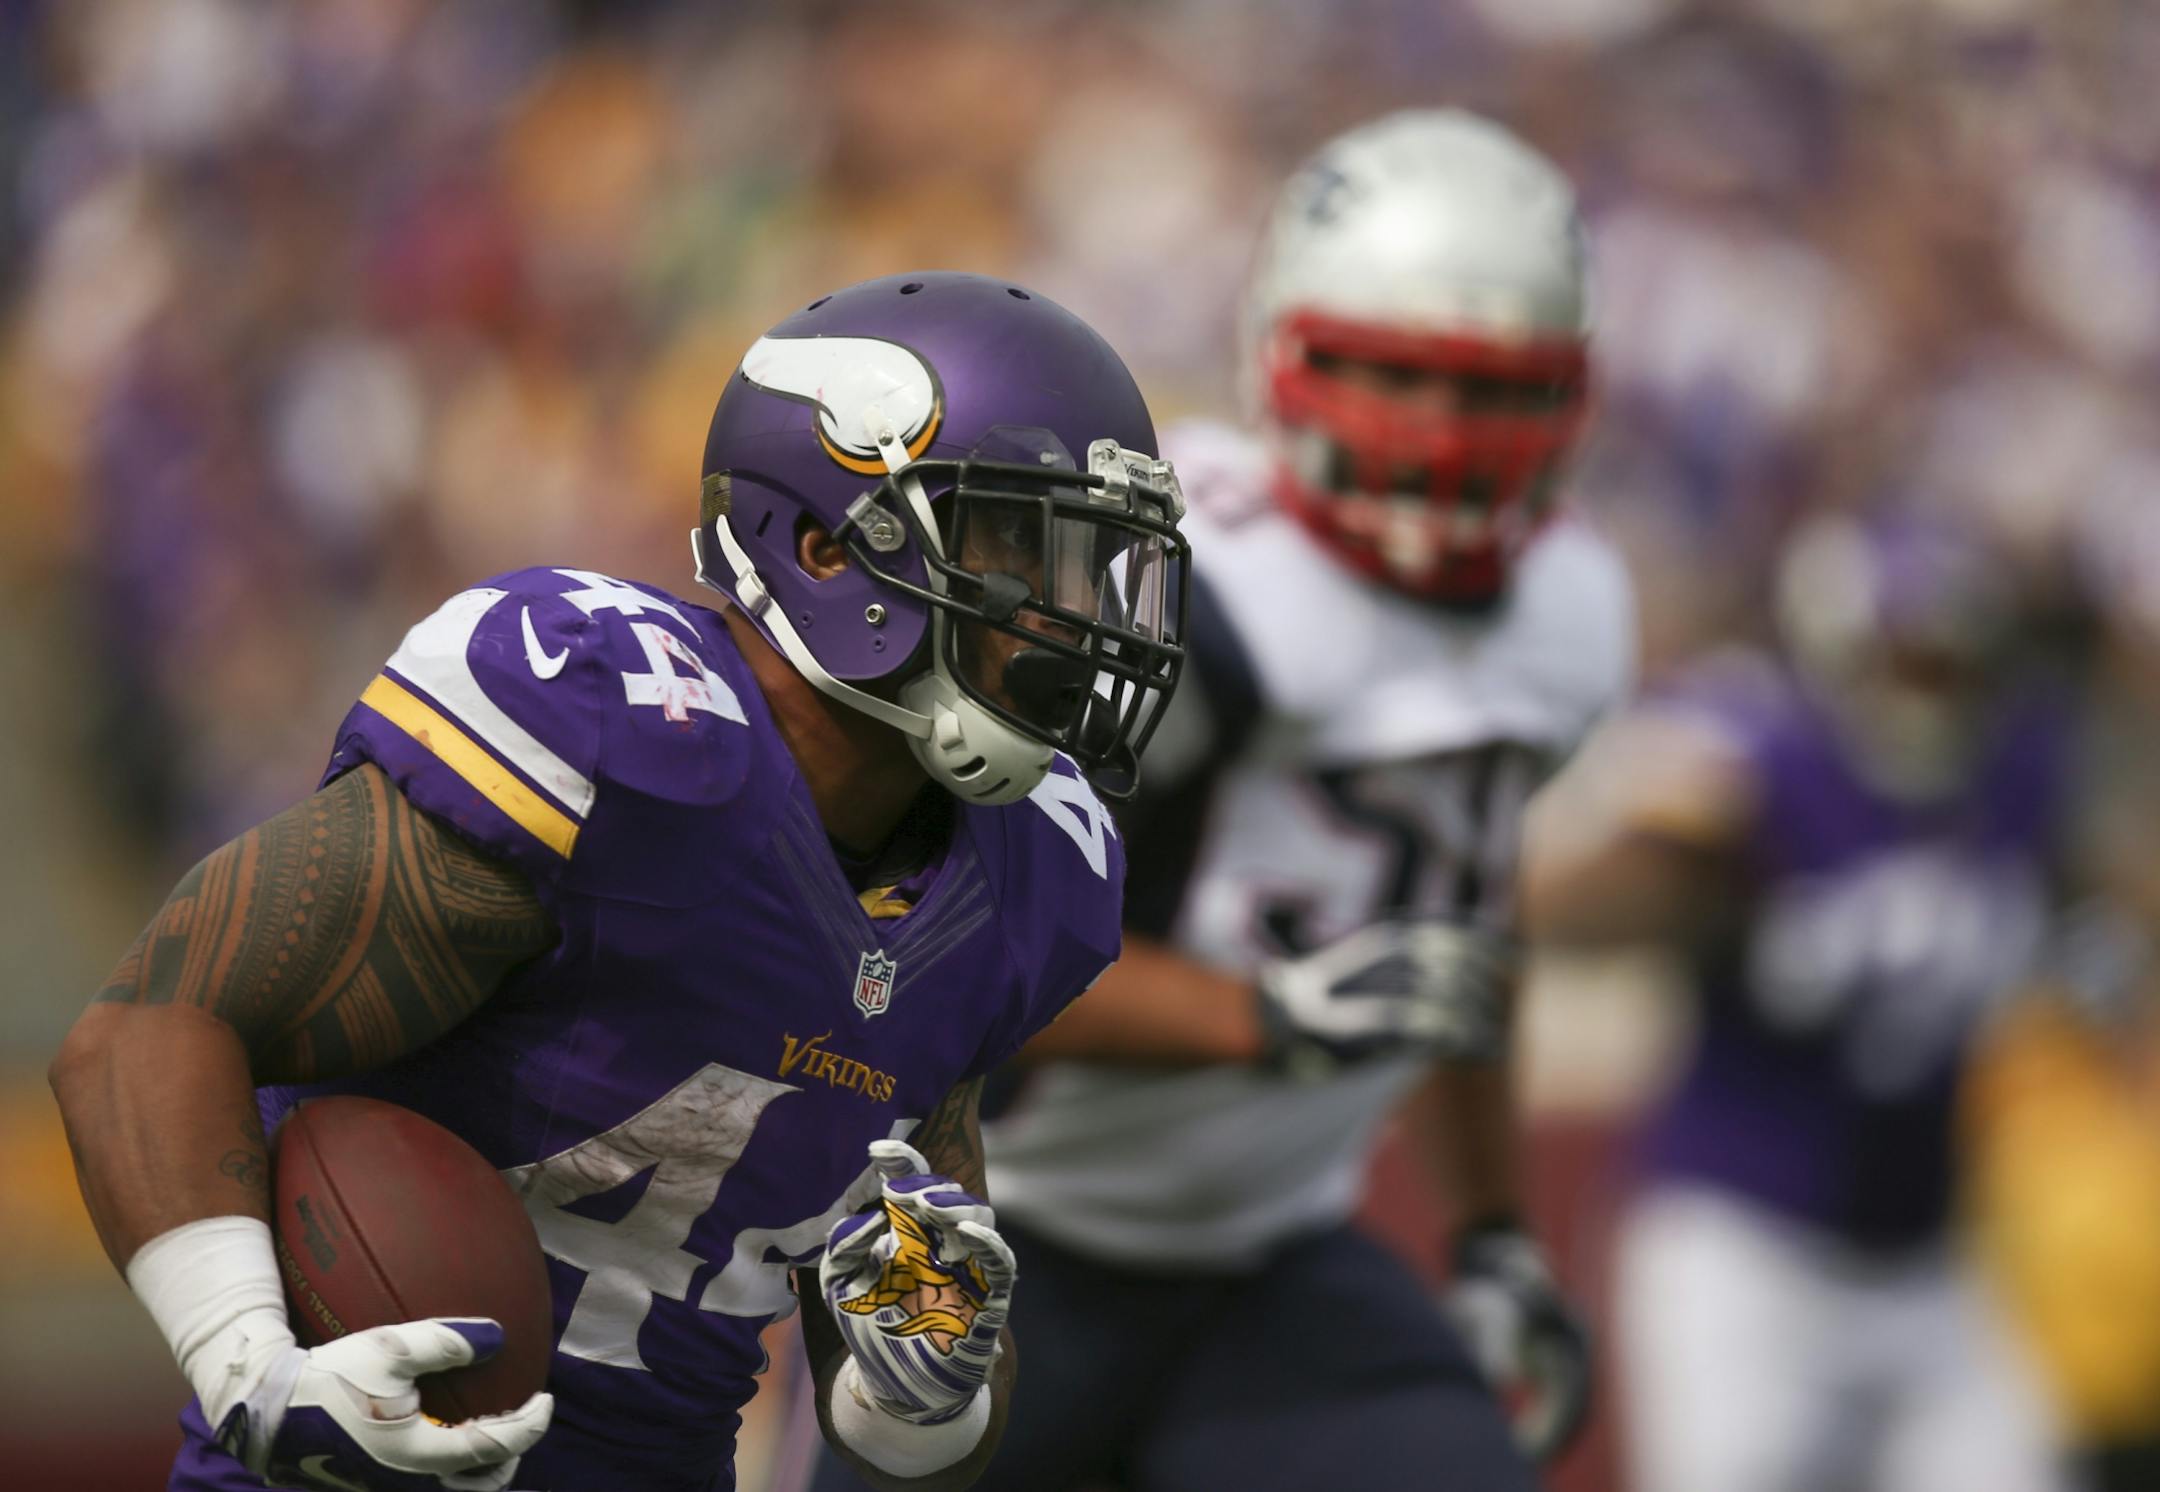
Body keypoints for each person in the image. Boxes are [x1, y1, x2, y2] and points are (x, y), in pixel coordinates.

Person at [48, 271, 1191, 1492]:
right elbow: (151, 1024)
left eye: (1092, 566)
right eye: (1022, 551)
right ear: (828, 547)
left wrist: (928, 1387)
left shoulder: (1024, 873)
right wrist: (249, 1362)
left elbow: (901, 1302)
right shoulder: (616, 725)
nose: (1072, 619)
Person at [814, 110, 1633, 1492]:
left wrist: (1493, 1231)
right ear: (1287, 354)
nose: (1441, 434)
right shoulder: (1171, 581)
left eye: (1492, 391)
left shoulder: (1570, 613)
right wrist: (1272, 1016)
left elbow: (1455, 949)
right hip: (990, 1225)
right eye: (1396, 377)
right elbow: (950, 945)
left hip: (1270, 1261)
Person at [1523, 511, 2074, 1492]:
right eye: (1908, 658)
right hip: (1745, 1240)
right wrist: (1688, 875)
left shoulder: (2018, 773)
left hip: (1927, 1255)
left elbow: (2105, 900)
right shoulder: (1757, 757)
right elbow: (1578, 904)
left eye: (1952, 662)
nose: (1930, 688)